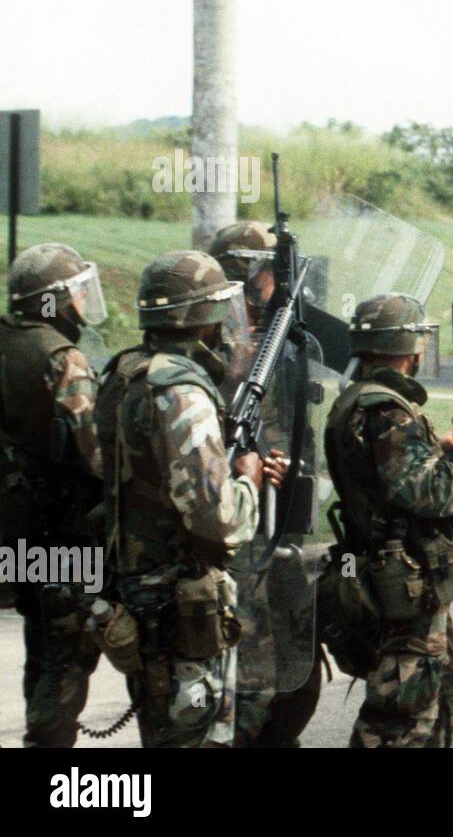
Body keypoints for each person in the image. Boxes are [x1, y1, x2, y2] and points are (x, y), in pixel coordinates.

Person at [322, 293, 453, 748]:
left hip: (400, 580)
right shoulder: (386, 410)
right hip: (402, 587)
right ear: (412, 347)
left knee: (447, 694)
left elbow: (391, 479)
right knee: (399, 719)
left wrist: (438, 452)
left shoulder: (360, 401)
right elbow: (424, 492)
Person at [109, 250, 282, 747]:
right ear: (204, 318)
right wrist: (248, 481)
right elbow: (218, 519)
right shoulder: (181, 389)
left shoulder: (128, 373)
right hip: (181, 606)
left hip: (143, 594)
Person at [0, 244, 105, 746]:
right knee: (65, 658)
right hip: (63, 533)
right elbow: (98, 457)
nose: (83, 301)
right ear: (54, 301)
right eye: (77, 292)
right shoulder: (62, 358)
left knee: (40, 645)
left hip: (15, 531)